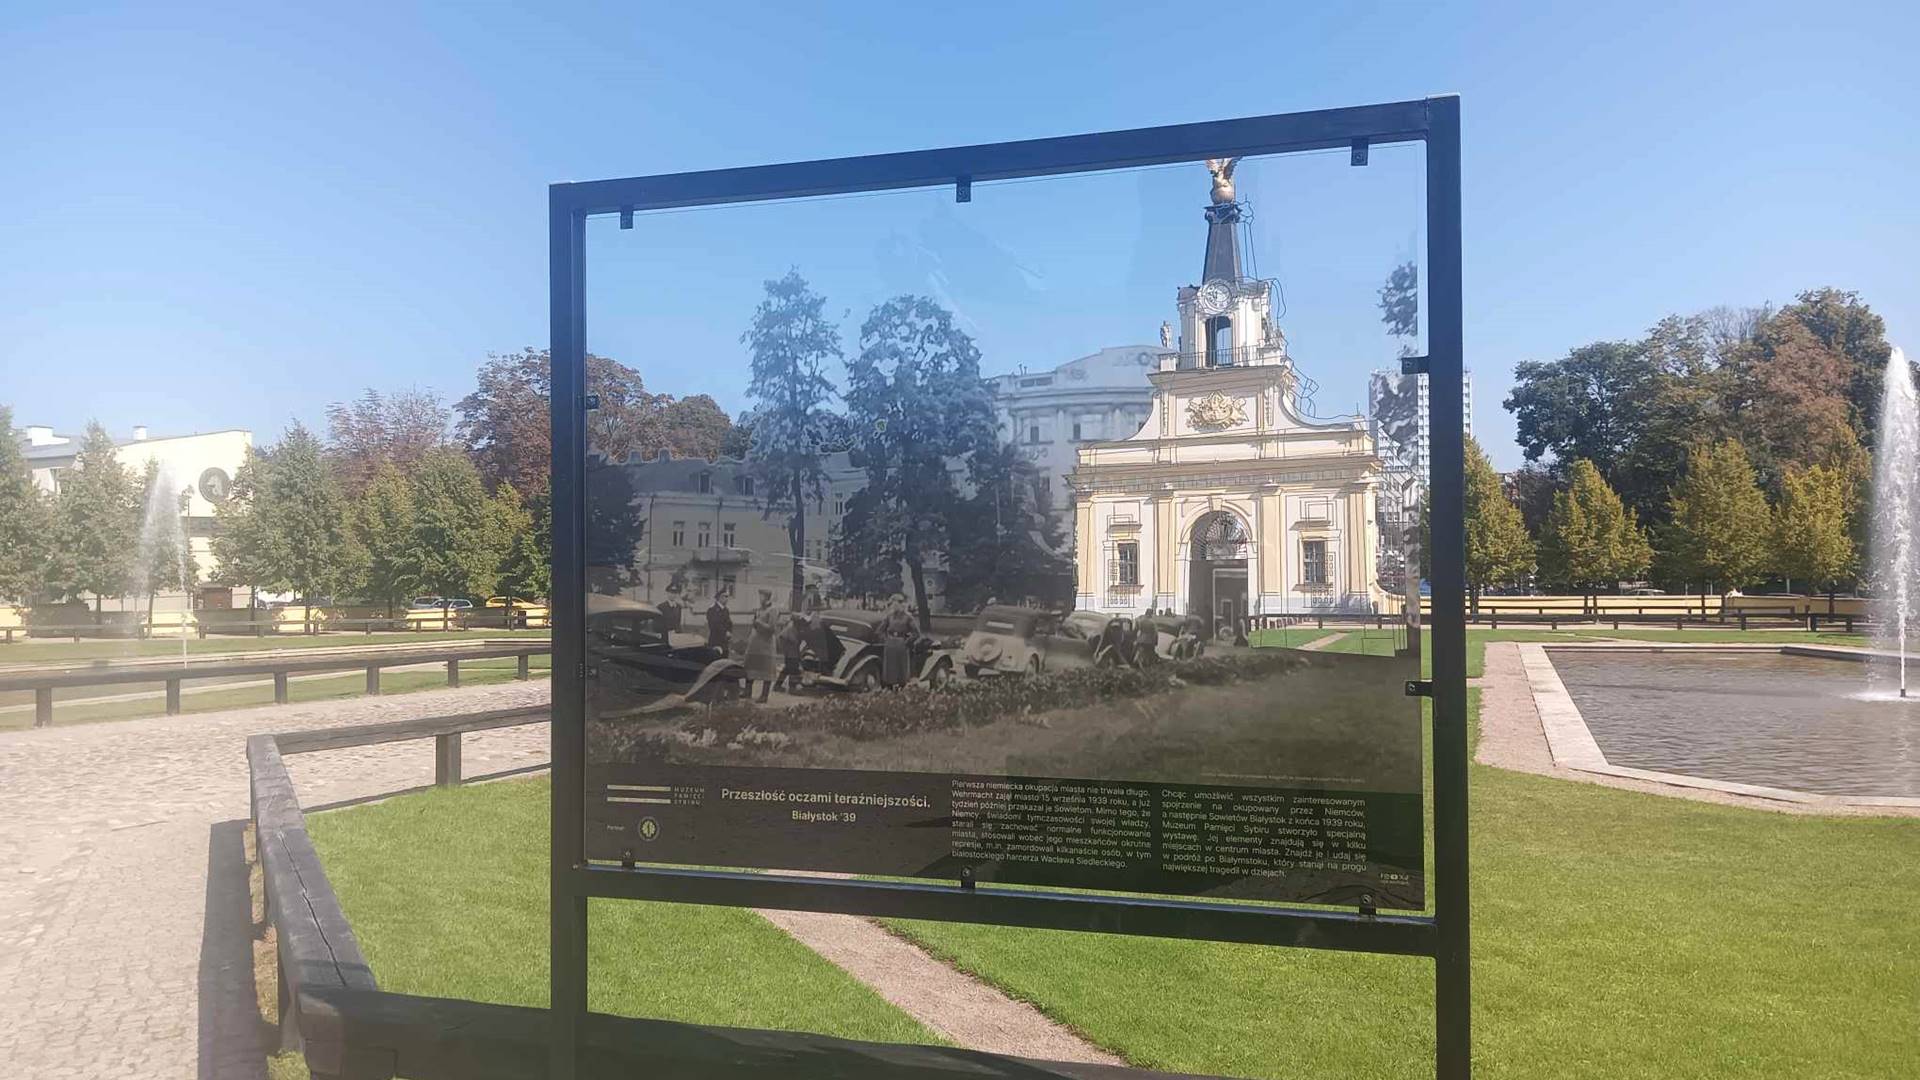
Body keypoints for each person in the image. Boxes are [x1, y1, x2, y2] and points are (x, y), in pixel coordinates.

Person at [745, 590, 779, 702]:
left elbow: (772, 628)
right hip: (755, 644)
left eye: (762, 596)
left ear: (767, 597)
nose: (760, 599)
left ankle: (764, 696)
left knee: (766, 670)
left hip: (766, 644)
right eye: (759, 596)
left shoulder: (773, 610)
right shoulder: (759, 609)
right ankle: (747, 692)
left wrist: (758, 622)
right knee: (750, 667)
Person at [879, 593, 915, 687]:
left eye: (896, 603)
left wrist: (907, 642)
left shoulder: (908, 617)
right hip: (890, 644)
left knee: (901, 666)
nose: (894, 606)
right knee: (890, 667)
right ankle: (889, 686)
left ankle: (901, 686)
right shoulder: (889, 616)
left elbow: (916, 633)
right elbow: (880, 630)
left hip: (902, 643)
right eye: (892, 604)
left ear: (901, 604)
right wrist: (886, 640)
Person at [775, 612, 809, 694]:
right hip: (790, 653)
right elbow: (781, 637)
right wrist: (785, 648)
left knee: (787, 669)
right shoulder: (790, 629)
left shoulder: (798, 629)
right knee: (793, 670)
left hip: (794, 653)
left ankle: (777, 685)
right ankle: (792, 688)